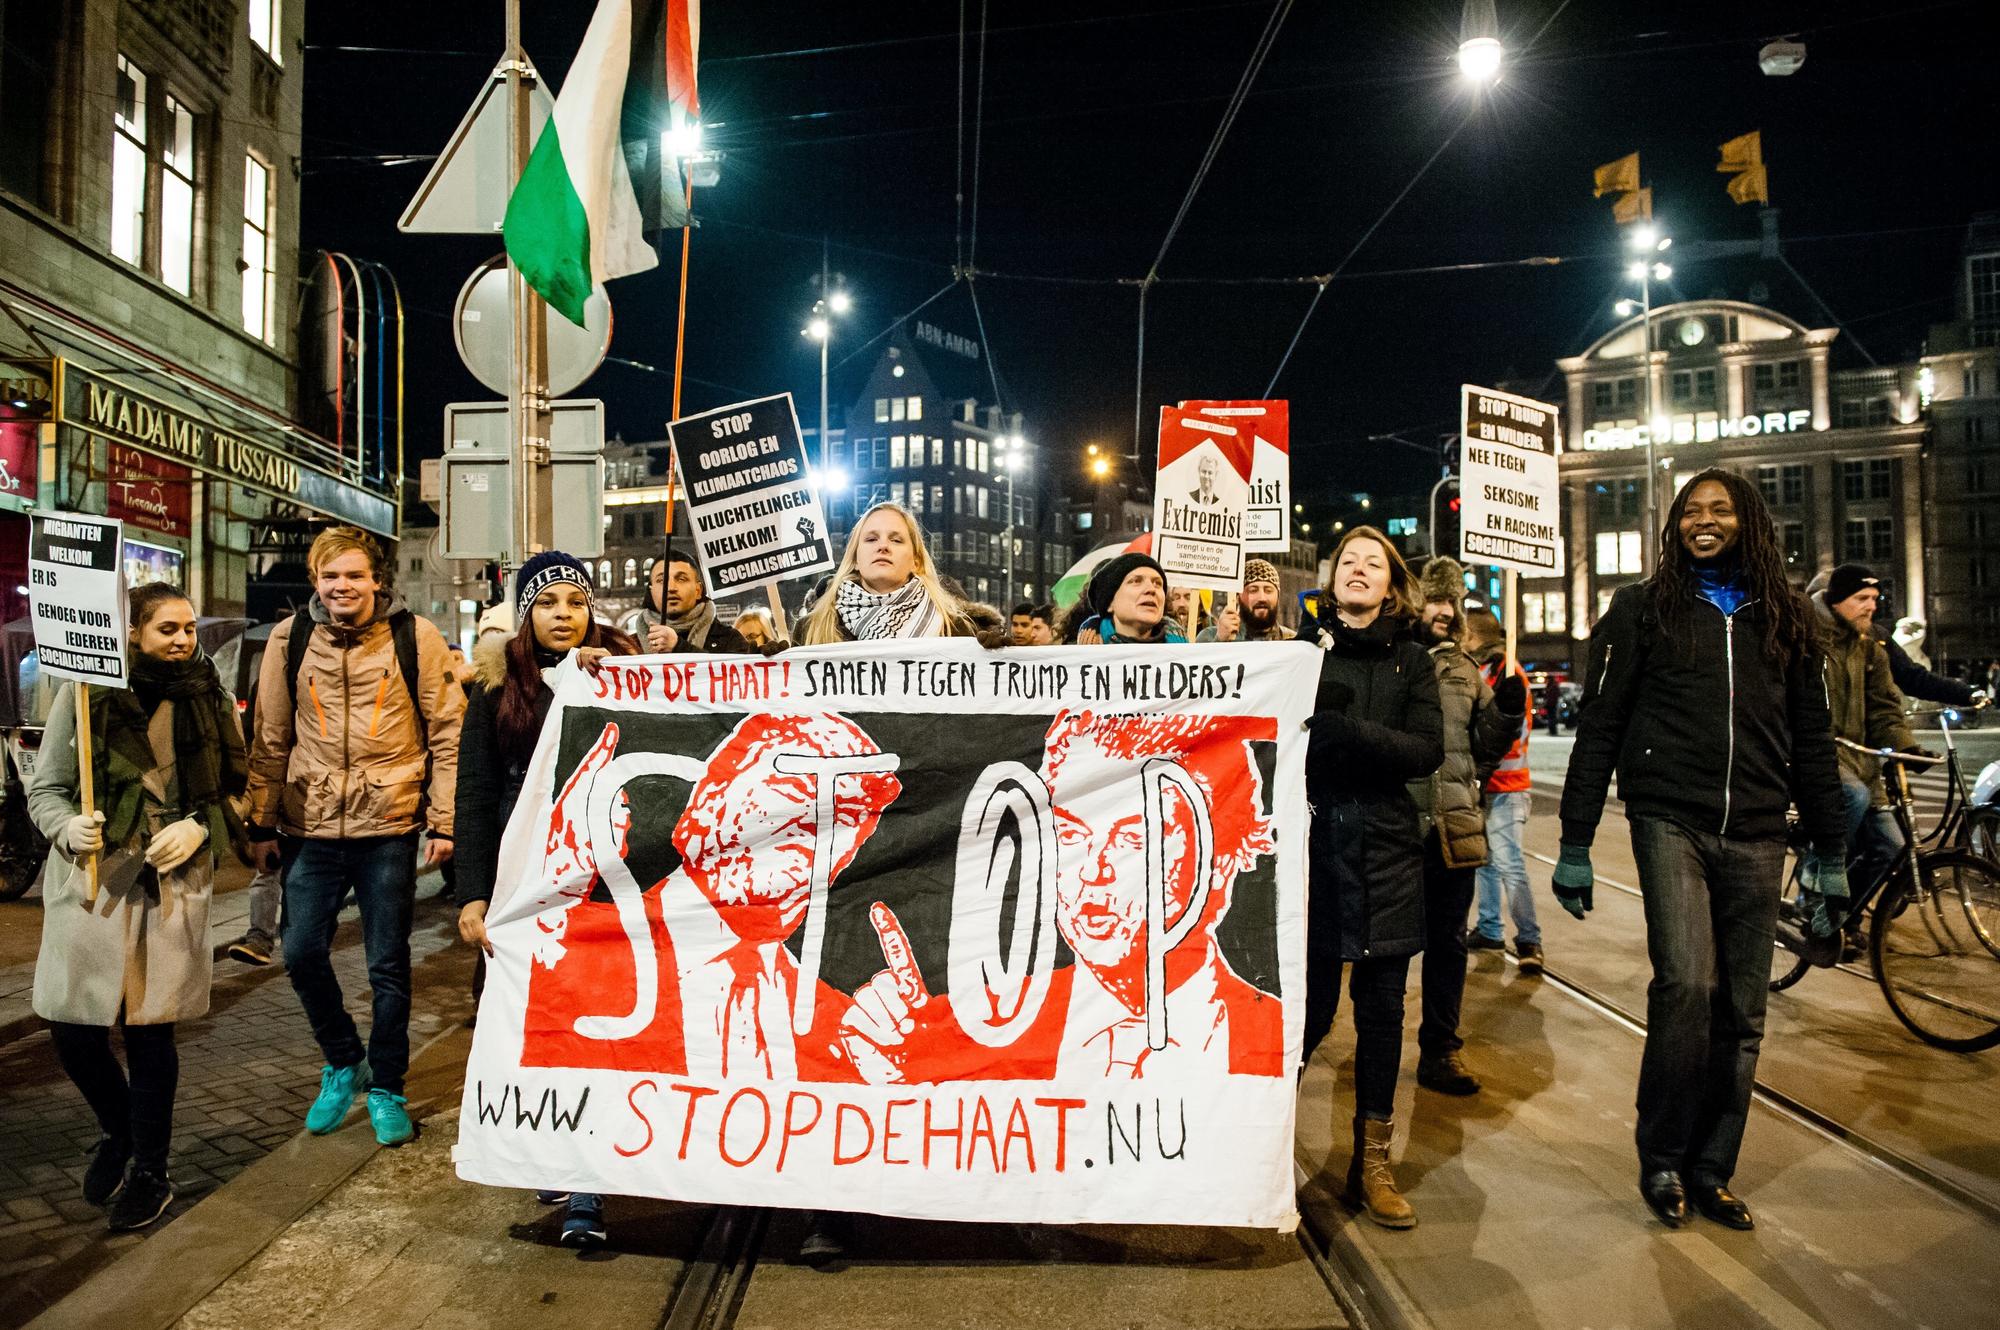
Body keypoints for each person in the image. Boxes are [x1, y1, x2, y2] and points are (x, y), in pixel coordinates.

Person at [1557, 469, 1845, 1232]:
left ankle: (1711, 1169)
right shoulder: (1641, 609)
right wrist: (1575, 840)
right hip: (1669, 821)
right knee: (1686, 987)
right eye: (1691, 512)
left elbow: (1814, 744)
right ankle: (1661, 1157)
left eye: (1719, 510)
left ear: (1749, 522)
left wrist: (1829, 850)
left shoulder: (1791, 620)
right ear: (1675, 526)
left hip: (1758, 830)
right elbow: (1601, 726)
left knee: (1742, 1015)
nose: (1704, 521)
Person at [31, 583, 248, 1230]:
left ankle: (151, 1170)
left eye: (188, 628)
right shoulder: (82, 694)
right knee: (73, 1028)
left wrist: (203, 827)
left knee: (152, 1032)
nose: (184, 640)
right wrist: (67, 827)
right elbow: (47, 789)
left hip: (171, 881)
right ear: (133, 634)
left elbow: (240, 791)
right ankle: (119, 1130)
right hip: (92, 880)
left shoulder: (210, 697)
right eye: (167, 630)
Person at [245, 525, 463, 1148]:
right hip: (309, 824)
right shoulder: (291, 640)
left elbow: (448, 731)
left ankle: (388, 1084)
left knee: (387, 965)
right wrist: (261, 823)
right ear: (316, 581)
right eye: (330, 575)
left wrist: (444, 821)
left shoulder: (413, 636)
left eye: (353, 575)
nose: (342, 586)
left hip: (389, 824)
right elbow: (270, 737)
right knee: (300, 952)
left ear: (376, 580)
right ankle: (345, 1059)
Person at [454, 553, 638, 1248]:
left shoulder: (623, 676)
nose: (564, 612)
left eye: (575, 600)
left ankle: (586, 1189)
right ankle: (553, 1150)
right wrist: (474, 895)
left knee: (593, 1029)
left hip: (602, 886)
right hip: (523, 885)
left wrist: (612, 679)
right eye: (548, 601)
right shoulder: (494, 692)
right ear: (526, 613)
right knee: (532, 1029)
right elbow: (473, 798)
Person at [1299, 526, 1443, 1230]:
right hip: (1316, 851)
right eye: (1347, 562)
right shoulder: (1299, 654)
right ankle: (1257, 1143)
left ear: (1392, 584)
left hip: (1386, 853)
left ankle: (1372, 1162)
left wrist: (1350, 735)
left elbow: (1426, 750)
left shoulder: (1413, 661)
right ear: (1331, 580)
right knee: (1311, 1010)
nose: (1359, 571)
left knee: (1383, 1013)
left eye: (1373, 564)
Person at [1407, 558, 1522, 1098]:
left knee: (1448, 945)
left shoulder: (1464, 669)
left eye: (1451, 603)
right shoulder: (1398, 658)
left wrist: (1509, 716)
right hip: (1400, 826)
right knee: (1381, 949)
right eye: (1435, 600)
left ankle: (1441, 1050)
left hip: (1453, 827)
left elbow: (1484, 750)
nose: (1445, 611)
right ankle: (1369, 1048)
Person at [1810, 564, 1919, 961]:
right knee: (1851, 796)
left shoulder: (1870, 644)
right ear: (1838, 600)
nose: (1871, 606)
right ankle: (1815, 883)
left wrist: (1908, 746)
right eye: (1862, 598)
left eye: (1875, 599)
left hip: (1860, 760)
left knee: (1893, 848)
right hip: (1817, 756)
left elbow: (1886, 706)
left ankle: (1839, 917)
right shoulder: (1809, 636)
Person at [799, 503, 1003, 645]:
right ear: (855, 560)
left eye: (896, 540)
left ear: (916, 561)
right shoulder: (812, 628)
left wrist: (999, 659)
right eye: (871, 539)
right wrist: (773, 667)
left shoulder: (957, 629)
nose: (883, 546)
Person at [1462, 609, 1542, 972]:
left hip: (1506, 786)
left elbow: (1501, 732)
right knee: (1488, 862)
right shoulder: (1489, 670)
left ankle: (1529, 939)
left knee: (1509, 863)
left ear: (1473, 637)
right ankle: (1491, 928)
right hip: (1491, 784)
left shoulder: (1505, 674)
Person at [642, 551, 745, 654]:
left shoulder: (731, 640)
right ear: (651, 591)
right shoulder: (630, 646)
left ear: (698, 591)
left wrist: (679, 647)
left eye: (681, 579)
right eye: (661, 580)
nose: (671, 588)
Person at [1076, 553, 1188, 645]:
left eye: (1157, 583)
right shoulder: (1076, 658)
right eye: (1136, 581)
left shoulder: (1185, 652)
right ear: (1110, 603)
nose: (1151, 589)